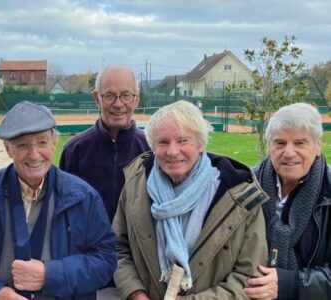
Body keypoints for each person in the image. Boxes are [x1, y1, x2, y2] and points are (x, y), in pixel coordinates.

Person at [0, 101, 116, 300]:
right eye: (22, 144)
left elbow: (106, 260)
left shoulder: (84, 196)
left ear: (54, 144)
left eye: (42, 142)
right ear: (8, 150)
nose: (34, 154)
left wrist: (51, 275)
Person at [113, 100, 269, 299]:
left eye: (183, 140)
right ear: (153, 146)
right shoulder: (135, 185)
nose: (172, 151)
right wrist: (135, 293)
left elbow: (248, 278)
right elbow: (117, 247)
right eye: (163, 142)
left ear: (200, 143)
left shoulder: (239, 196)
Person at [244, 103, 330, 300]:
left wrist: (290, 284)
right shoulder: (245, 186)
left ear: (318, 146)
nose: (289, 152)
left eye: (300, 143)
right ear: (269, 147)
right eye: (280, 143)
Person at [60, 65, 149, 223]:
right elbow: (63, 212)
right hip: (88, 247)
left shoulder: (151, 150)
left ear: (136, 99)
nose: (118, 103)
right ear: (97, 98)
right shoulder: (74, 151)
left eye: (126, 95)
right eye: (109, 96)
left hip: (136, 247)